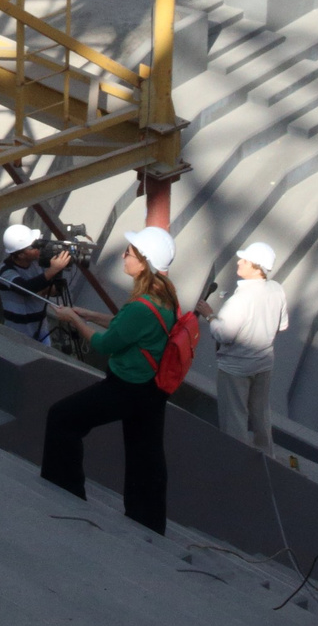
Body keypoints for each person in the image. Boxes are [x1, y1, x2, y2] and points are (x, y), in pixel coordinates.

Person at [44, 226, 184, 533]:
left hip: (128, 387)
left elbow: (105, 344)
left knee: (62, 419)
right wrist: (90, 315)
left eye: (130, 253)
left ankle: (65, 491)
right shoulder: (164, 296)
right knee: (145, 456)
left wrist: (74, 319)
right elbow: (130, 324)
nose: (124, 255)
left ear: (143, 262)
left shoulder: (141, 306)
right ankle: (147, 521)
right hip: (152, 390)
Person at [198, 241, 286, 452]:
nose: (239, 262)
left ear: (255, 266)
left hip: (235, 367)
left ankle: (236, 456)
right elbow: (281, 325)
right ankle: (267, 451)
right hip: (264, 363)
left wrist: (209, 315)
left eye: (244, 260)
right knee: (261, 411)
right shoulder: (276, 290)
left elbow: (223, 334)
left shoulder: (241, 300)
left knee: (235, 414)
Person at [0, 224, 71, 344]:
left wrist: (55, 272)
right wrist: (52, 271)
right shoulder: (5, 271)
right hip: (17, 332)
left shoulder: (36, 263)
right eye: (33, 247)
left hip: (41, 328)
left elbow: (54, 290)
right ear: (20, 254)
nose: (38, 248)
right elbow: (25, 289)